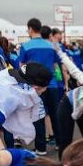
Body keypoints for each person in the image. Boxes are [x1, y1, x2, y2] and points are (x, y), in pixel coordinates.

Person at [17, 19, 62, 156]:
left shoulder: (26, 46)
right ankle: (61, 143)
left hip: (35, 87)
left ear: (31, 29)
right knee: (55, 115)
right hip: (52, 85)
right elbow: (56, 65)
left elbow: (22, 67)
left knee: (38, 116)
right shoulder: (51, 46)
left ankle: (41, 148)